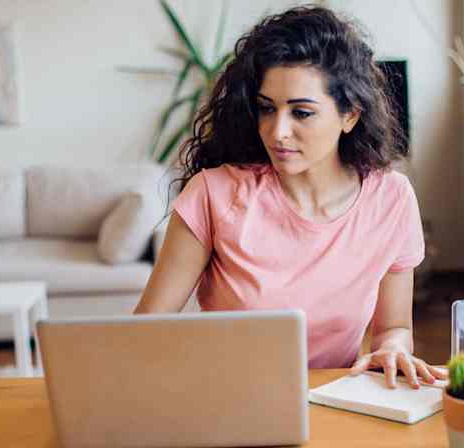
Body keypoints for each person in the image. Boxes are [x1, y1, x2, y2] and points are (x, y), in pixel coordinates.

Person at [134, 5, 447, 389]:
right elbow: (148, 327)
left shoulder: (392, 199)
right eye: (267, 109)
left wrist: (394, 349)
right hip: (226, 397)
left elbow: (394, 326)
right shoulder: (213, 194)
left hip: (335, 399)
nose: (277, 131)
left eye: (301, 113)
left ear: (349, 115)